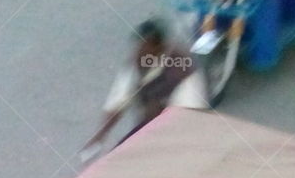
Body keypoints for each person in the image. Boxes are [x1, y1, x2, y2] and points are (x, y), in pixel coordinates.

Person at [80, 17, 207, 159]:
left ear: (159, 48)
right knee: (114, 160)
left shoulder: (183, 71)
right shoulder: (137, 63)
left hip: (177, 141)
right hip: (146, 131)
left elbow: (189, 117)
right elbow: (118, 102)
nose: (138, 51)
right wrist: (99, 137)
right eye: (138, 46)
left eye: (144, 47)